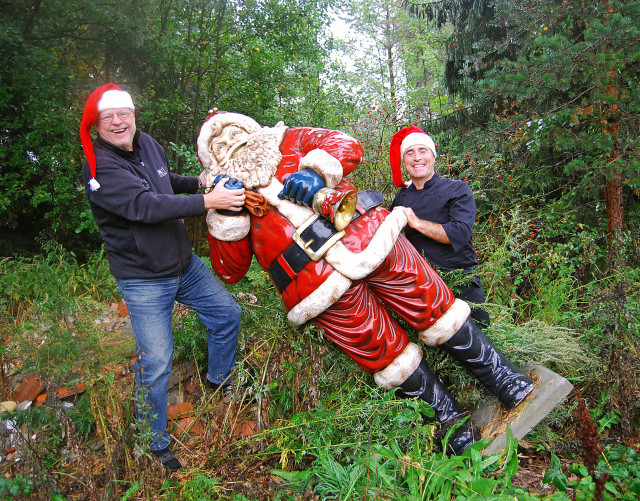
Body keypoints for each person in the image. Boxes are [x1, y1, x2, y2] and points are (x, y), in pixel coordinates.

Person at [196, 110, 534, 455]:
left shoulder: (289, 140)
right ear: (211, 161)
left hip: (370, 238)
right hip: (315, 286)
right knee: (382, 350)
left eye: (235, 132)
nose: (231, 143)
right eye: (218, 145)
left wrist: (316, 172)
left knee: (434, 307)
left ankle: (503, 377)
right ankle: (450, 423)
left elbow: (346, 144)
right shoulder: (222, 197)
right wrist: (225, 213)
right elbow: (230, 271)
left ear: (251, 129)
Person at [80, 84, 244, 472]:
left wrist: (200, 182)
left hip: (183, 265)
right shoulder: (99, 166)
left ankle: (218, 379)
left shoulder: (147, 143)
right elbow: (145, 205)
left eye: (125, 113)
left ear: (134, 114)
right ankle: (153, 440)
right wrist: (210, 201)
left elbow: (163, 181)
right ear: (97, 124)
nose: (119, 122)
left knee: (227, 315)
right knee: (156, 363)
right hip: (143, 279)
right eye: (109, 117)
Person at [389, 126, 490, 328]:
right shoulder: (402, 197)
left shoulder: (457, 189)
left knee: (479, 348)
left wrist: (414, 222)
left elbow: (459, 234)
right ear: (404, 161)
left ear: (433, 157)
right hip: (419, 291)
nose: (417, 157)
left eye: (423, 151)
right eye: (410, 153)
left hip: (460, 285)